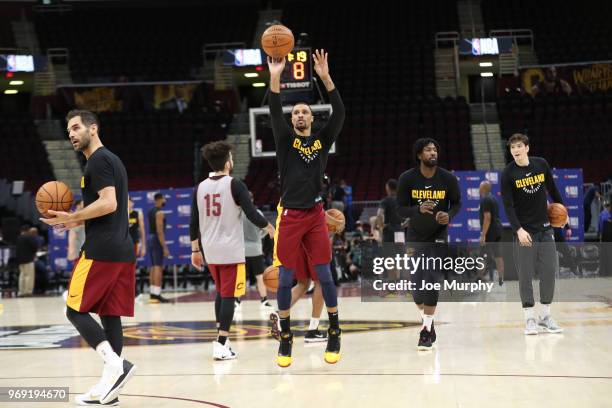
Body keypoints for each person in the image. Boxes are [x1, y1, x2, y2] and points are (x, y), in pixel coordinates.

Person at [41, 109, 136, 405]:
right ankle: (111, 388)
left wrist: (73, 217)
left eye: (76, 127)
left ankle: (116, 366)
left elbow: (109, 203)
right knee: (110, 316)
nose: (71, 133)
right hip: (121, 248)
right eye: (68, 129)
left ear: (93, 128)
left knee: (73, 309)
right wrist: (78, 219)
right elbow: (117, 206)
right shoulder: (113, 160)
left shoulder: (98, 161)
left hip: (101, 250)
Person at [267, 48, 345, 367]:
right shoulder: (286, 141)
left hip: (314, 215)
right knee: (286, 279)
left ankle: (334, 330)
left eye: (304, 112)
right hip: (290, 215)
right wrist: (275, 76)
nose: (299, 115)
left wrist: (325, 78)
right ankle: (286, 337)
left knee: (324, 275)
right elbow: (273, 110)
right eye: (296, 112)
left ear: (312, 118)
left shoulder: (322, 140)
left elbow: (339, 113)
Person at [190, 141, 274, 360]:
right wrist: (270, 227)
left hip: (209, 249)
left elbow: (193, 221)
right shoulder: (235, 184)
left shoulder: (200, 187)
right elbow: (252, 214)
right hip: (230, 250)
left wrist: (194, 250)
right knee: (229, 295)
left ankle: (221, 339)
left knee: (221, 293)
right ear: (227, 163)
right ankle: (221, 343)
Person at [396, 138, 461, 350]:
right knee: (416, 286)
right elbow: (400, 209)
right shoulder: (407, 178)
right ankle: (429, 324)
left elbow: (457, 203)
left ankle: (425, 330)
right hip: (415, 235)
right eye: (428, 150)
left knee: (431, 280)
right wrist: (417, 209)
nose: (432, 152)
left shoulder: (448, 178)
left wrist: (449, 215)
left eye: (435, 149)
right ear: (419, 155)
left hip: (438, 235)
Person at [501, 133, 565, 335]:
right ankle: (529, 318)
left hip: (545, 228)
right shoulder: (508, 173)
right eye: (512, 148)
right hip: (524, 232)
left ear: (527, 147)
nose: (516, 150)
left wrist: (563, 212)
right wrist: (518, 229)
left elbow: (553, 191)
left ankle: (545, 315)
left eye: (519, 146)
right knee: (526, 275)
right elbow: (508, 206)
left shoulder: (541, 164)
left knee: (548, 271)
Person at [241, 191, 274, 310]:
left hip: (242, 250)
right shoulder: (258, 213)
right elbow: (266, 229)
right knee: (259, 277)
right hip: (255, 248)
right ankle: (264, 300)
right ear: (253, 199)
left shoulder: (239, 214)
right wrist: (258, 236)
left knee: (241, 277)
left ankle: (237, 301)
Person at [478, 180, 505, 286]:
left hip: (490, 232)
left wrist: (483, 235)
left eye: (480, 187)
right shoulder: (493, 198)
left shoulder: (485, 199)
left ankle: (480, 277)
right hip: (497, 230)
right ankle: (501, 278)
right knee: (498, 255)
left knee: (482, 255)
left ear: (484, 188)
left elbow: (487, 218)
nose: (479, 189)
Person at [147, 193, 170, 303]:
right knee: (158, 267)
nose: (165, 200)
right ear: (159, 199)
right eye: (164, 198)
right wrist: (164, 247)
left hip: (150, 238)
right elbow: (160, 231)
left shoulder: (151, 211)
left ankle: (152, 293)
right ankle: (157, 294)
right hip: (156, 239)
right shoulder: (160, 213)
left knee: (152, 266)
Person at [377, 179, 403, 244]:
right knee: (400, 253)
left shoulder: (385, 200)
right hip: (400, 229)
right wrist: (401, 226)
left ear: (388, 188)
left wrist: (381, 227)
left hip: (389, 229)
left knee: (388, 252)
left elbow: (379, 214)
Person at [16, 225, 38, 297]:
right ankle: (28, 292)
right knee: (29, 276)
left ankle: (21, 292)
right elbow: (35, 247)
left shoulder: (18, 238)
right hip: (28, 259)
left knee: (22, 276)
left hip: (20, 260)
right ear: (27, 230)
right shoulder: (28, 237)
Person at [67, 200, 86, 269]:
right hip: (77, 246)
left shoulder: (83, 215)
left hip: (83, 243)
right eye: (82, 203)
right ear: (78, 205)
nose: (84, 204)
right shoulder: (74, 216)